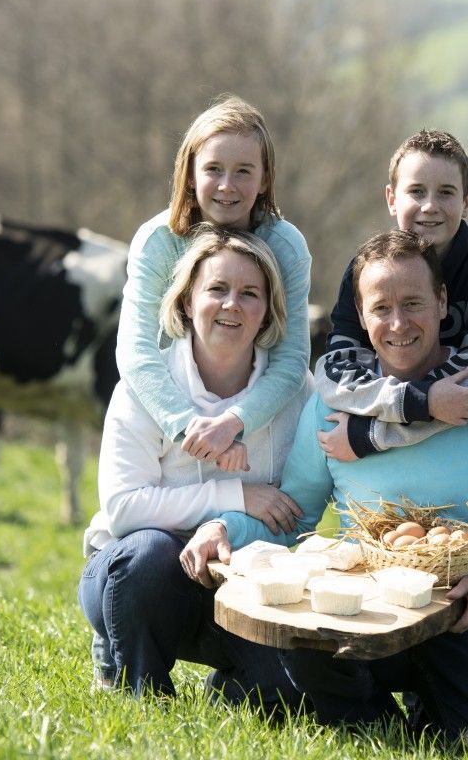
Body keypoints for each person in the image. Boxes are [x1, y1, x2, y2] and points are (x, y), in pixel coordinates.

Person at [189, 231, 468, 750]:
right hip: (362, 617)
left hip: (466, 616)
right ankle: (367, 719)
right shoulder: (334, 403)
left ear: (441, 302)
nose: (398, 324)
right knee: (310, 659)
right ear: (361, 314)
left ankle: (435, 709)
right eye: (382, 308)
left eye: (413, 303)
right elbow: (296, 514)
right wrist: (223, 526)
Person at [313, 129, 468, 718]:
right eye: (416, 191)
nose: (430, 206)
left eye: (446, 192)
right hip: (419, 394)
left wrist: (371, 436)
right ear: (390, 197)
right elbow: (336, 372)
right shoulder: (366, 270)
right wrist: (405, 412)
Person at [78, 226, 312, 701]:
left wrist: (229, 527)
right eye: (217, 289)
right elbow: (124, 508)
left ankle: (228, 684)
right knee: (147, 555)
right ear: (186, 302)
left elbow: (293, 510)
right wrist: (236, 496)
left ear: (267, 310)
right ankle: (141, 688)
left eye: (250, 293)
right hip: (137, 576)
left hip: (240, 583)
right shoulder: (146, 388)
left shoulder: (296, 392)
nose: (232, 304)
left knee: (288, 695)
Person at [117, 93, 311, 470]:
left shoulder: (286, 246)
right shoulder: (157, 241)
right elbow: (136, 351)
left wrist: (231, 424)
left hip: (255, 417)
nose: (227, 185)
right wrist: (190, 426)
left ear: (265, 178)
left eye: (243, 171)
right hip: (168, 415)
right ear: (190, 173)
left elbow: (291, 360)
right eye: (213, 169)